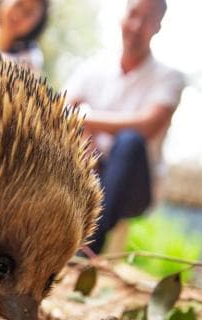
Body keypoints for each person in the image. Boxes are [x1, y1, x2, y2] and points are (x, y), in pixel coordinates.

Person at [65, 0, 185, 254]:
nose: (137, 26)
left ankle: (87, 250)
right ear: (122, 16)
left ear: (158, 27)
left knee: (129, 141)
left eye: (148, 20)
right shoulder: (93, 67)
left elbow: (147, 126)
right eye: (133, 15)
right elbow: (63, 113)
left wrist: (85, 119)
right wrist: (84, 135)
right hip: (88, 169)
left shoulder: (169, 77)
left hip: (134, 186)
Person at [0, 0, 49, 71]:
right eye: (19, 4)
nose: (18, 14)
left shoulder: (31, 56)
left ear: (37, 24)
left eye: (28, 13)